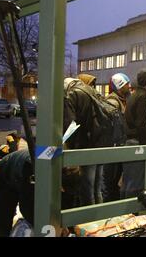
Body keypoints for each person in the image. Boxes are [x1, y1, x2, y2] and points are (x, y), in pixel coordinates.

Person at [0, 149, 80, 236]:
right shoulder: (33, 168)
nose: (62, 192)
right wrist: (53, 226)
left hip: (23, 173)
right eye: (60, 189)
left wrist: (68, 225)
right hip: (4, 175)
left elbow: (68, 203)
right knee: (2, 223)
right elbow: (27, 208)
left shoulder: (73, 169)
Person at [64, 76, 103, 206]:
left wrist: (71, 146)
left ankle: (89, 221)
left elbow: (70, 125)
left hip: (86, 144)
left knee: (87, 188)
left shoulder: (72, 94)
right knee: (97, 188)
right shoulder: (93, 91)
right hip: (100, 142)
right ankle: (100, 218)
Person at [102, 73, 131, 201]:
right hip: (113, 146)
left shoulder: (122, 100)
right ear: (120, 86)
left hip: (119, 144)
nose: (129, 86)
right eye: (126, 84)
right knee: (110, 181)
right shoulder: (113, 102)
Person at [122, 70, 146, 198]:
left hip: (129, 141)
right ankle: (131, 212)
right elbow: (141, 123)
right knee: (135, 182)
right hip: (138, 143)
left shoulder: (133, 95)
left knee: (127, 180)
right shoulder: (143, 96)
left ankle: (123, 212)